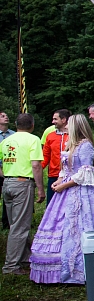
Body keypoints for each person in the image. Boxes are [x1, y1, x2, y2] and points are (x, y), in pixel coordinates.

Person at [29, 114, 94, 284]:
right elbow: (66, 169)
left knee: (85, 223)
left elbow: (86, 173)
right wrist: (60, 180)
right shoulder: (70, 144)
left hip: (83, 192)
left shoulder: (86, 146)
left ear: (75, 127)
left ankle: (89, 264)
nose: (64, 128)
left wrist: (64, 185)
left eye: (68, 126)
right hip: (66, 191)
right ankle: (58, 268)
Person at [1, 113, 45, 275]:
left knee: (16, 223)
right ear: (32, 125)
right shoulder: (33, 140)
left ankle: (25, 257)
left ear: (16, 124)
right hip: (22, 183)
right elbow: (35, 165)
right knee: (20, 227)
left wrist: (7, 175)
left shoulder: (6, 141)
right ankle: (11, 266)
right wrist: (40, 188)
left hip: (8, 182)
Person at [42, 109, 70, 204]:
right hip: (54, 175)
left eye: (55, 119)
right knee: (51, 204)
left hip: (70, 176)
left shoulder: (73, 136)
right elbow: (45, 156)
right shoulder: (50, 136)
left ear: (63, 120)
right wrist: (35, 171)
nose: (52, 122)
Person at [0, 111, 16, 230]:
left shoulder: (13, 135)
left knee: (9, 198)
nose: (6, 117)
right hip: (1, 169)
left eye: (6, 115)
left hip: (10, 170)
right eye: (2, 116)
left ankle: (7, 223)